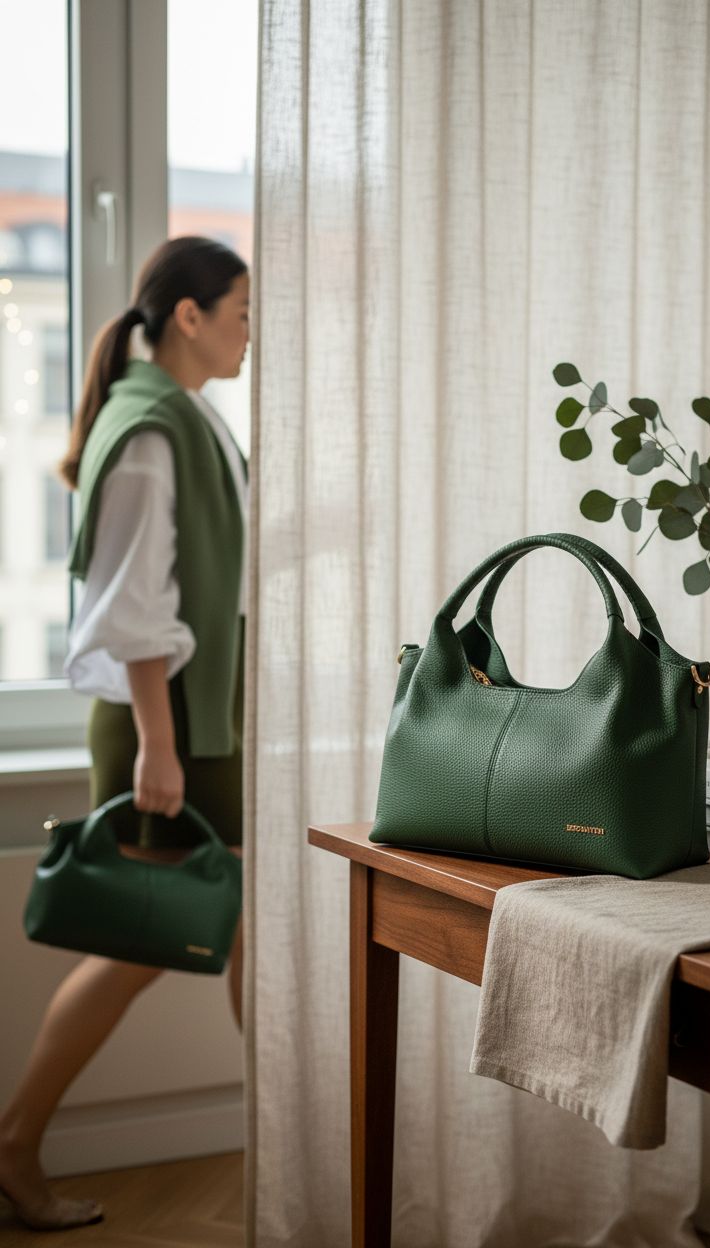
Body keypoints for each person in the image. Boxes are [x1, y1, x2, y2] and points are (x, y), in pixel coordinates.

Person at [0, 236, 250, 1231]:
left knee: (222, 939)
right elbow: (132, 605)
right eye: (238, 313)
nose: (249, 334)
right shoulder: (149, 432)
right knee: (139, 942)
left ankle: (290, 1144)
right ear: (186, 317)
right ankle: (16, 1142)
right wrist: (159, 744)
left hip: (196, 720)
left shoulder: (187, 419)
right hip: (171, 725)